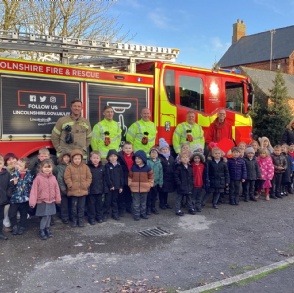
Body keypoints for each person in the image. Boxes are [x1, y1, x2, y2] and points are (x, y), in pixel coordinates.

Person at [29, 159, 61, 240]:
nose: (47, 169)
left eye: (49, 167)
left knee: (49, 215)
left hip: (51, 200)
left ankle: (47, 228)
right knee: (45, 216)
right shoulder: (38, 178)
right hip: (42, 201)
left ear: (52, 168)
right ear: (41, 168)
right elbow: (34, 190)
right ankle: (42, 230)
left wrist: (58, 198)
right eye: (45, 167)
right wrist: (32, 202)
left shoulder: (53, 178)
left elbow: (56, 189)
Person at [64, 149, 92, 227]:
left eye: (79, 159)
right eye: (75, 159)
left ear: (81, 159)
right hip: (73, 191)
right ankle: (74, 220)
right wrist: (70, 185)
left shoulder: (85, 167)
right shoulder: (69, 167)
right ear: (72, 159)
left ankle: (81, 220)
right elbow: (67, 177)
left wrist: (87, 184)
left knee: (81, 207)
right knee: (73, 208)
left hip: (83, 191)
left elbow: (89, 177)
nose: (77, 160)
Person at [9, 157, 33, 236]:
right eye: (17, 164)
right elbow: (9, 186)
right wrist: (14, 183)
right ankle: (14, 226)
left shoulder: (29, 176)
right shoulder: (13, 174)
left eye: (20, 165)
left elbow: (31, 186)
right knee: (12, 214)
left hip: (24, 199)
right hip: (14, 199)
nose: (17, 166)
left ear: (26, 168)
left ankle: (22, 226)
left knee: (24, 214)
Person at [128, 150, 154, 221]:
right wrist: (130, 184)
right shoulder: (133, 168)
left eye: (139, 158)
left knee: (143, 202)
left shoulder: (148, 168)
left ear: (143, 159)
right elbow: (130, 177)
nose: (137, 160)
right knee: (136, 203)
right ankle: (136, 215)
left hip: (145, 188)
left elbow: (151, 177)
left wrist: (150, 184)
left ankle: (143, 214)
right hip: (135, 188)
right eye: (136, 158)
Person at [87, 151, 107, 224]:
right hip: (91, 190)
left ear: (100, 159)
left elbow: (105, 179)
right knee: (91, 205)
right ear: (90, 158)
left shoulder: (102, 167)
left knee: (99, 204)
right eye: (94, 158)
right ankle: (91, 218)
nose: (95, 159)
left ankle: (99, 217)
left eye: (97, 158)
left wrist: (105, 189)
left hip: (100, 190)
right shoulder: (88, 167)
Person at [104, 149, 124, 221]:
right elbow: (107, 177)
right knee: (107, 201)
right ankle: (105, 214)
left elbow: (121, 177)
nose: (113, 158)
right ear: (108, 157)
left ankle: (115, 214)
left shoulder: (119, 166)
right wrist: (110, 185)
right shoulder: (107, 166)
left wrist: (121, 186)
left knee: (115, 201)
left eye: (115, 156)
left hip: (117, 187)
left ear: (117, 157)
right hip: (110, 188)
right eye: (111, 156)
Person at [158, 138, 175, 209]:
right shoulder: (159, 158)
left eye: (166, 149)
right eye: (163, 149)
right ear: (160, 150)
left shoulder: (171, 157)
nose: (165, 151)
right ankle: (161, 203)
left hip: (169, 177)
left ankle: (165, 202)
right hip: (163, 177)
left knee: (166, 191)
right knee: (162, 191)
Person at [3, 153, 19, 232]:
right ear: (5, 162)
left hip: (19, 193)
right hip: (8, 193)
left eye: (13, 159)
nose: (12, 161)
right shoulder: (5, 171)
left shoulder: (21, 167)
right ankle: (6, 222)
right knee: (6, 206)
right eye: (9, 160)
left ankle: (18, 216)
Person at [118, 142, 134, 215]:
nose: (128, 149)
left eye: (129, 148)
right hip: (123, 178)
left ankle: (129, 207)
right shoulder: (120, 157)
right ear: (123, 149)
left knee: (129, 194)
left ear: (132, 149)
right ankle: (121, 208)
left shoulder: (134, 157)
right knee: (121, 194)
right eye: (126, 148)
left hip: (131, 178)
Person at [0, 155, 14, 240]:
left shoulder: (6, 174)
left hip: (2, 200)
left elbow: (10, 185)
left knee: (0, 218)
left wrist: (7, 194)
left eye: (0, 163)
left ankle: (0, 233)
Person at [146, 147, 163, 215]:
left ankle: (153, 207)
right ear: (150, 154)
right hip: (149, 182)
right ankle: (148, 208)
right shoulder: (147, 162)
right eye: (152, 152)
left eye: (155, 153)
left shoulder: (159, 163)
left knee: (154, 196)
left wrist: (160, 182)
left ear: (157, 154)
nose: (154, 154)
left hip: (155, 183)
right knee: (148, 196)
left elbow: (161, 173)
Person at [56, 151, 71, 224]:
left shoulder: (71, 166)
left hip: (71, 189)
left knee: (71, 204)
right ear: (62, 158)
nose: (67, 159)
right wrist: (63, 189)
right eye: (65, 157)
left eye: (68, 157)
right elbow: (60, 179)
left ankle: (70, 216)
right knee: (64, 205)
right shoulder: (59, 167)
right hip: (63, 189)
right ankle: (64, 218)